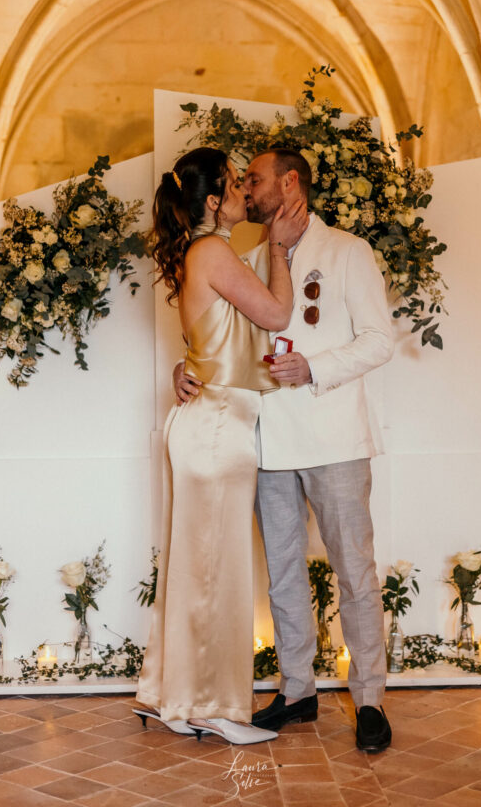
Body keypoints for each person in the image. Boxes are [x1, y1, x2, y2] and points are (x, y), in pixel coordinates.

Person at [175, 147, 394, 753]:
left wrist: (314, 367)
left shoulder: (348, 251)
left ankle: (369, 696)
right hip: (267, 440)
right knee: (283, 574)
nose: (247, 188)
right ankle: (298, 689)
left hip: (335, 436)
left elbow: (380, 341)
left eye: (255, 179)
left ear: (289, 182)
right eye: (241, 181)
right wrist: (182, 368)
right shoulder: (244, 256)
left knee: (354, 569)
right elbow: (216, 337)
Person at [133, 146, 307, 746]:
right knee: (216, 568)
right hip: (217, 428)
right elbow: (278, 313)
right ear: (214, 202)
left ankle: (173, 694)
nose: (244, 192)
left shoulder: (202, 252)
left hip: (208, 421)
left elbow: (214, 339)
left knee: (195, 567)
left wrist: (185, 365)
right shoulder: (215, 251)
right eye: (235, 185)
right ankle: (209, 706)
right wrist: (280, 247)